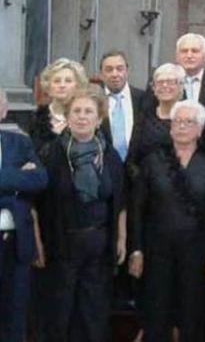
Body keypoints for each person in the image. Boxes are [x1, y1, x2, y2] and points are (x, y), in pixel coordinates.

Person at [36, 86, 126, 342]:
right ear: (67, 116)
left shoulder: (110, 156)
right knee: (60, 313)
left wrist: (121, 238)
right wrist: (39, 243)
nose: (82, 116)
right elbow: (38, 203)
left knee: (94, 313)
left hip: (99, 246)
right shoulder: (51, 154)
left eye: (89, 111)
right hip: (62, 245)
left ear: (99, 119)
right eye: (76, 111)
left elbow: (119, 200)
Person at [128, 99, 205, 342]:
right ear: (170, 128)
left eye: (188, 122)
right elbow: (137, 208)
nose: (181, 126)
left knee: (192, 314)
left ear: (200, 130)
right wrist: (136, 249)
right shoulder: (152, 161)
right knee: (157, 313)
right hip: (157, 249)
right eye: (177, 122)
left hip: (197, 250)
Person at [0, 87, 48, 342]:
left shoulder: (20, 142)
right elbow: (25, 181)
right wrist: (17, 180)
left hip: (16, 242)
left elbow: (40, 179)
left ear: (4, 110)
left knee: (15, 315)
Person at [126, 63, 185, 186]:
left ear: (181, 86)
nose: (164, 86)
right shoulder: (143, 119)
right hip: (146, 188)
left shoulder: (190, 118)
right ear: (153, 88)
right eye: (159, 82)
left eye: (170, 82)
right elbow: (133, 157)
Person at [30, 58, 90, 157]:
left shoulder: (87, 117)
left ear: (78, 86)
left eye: (68, 81)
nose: (62, 85)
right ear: (48, 87)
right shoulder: (35, 119)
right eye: (57, 81)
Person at [99, 50, 145, 163]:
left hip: (136, 168)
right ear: (101, 74)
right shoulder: (95, 100)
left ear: (127, 71)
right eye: (109, 70)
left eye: (120, 69)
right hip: (105, 169)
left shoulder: (143, 99)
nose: (115, 74)